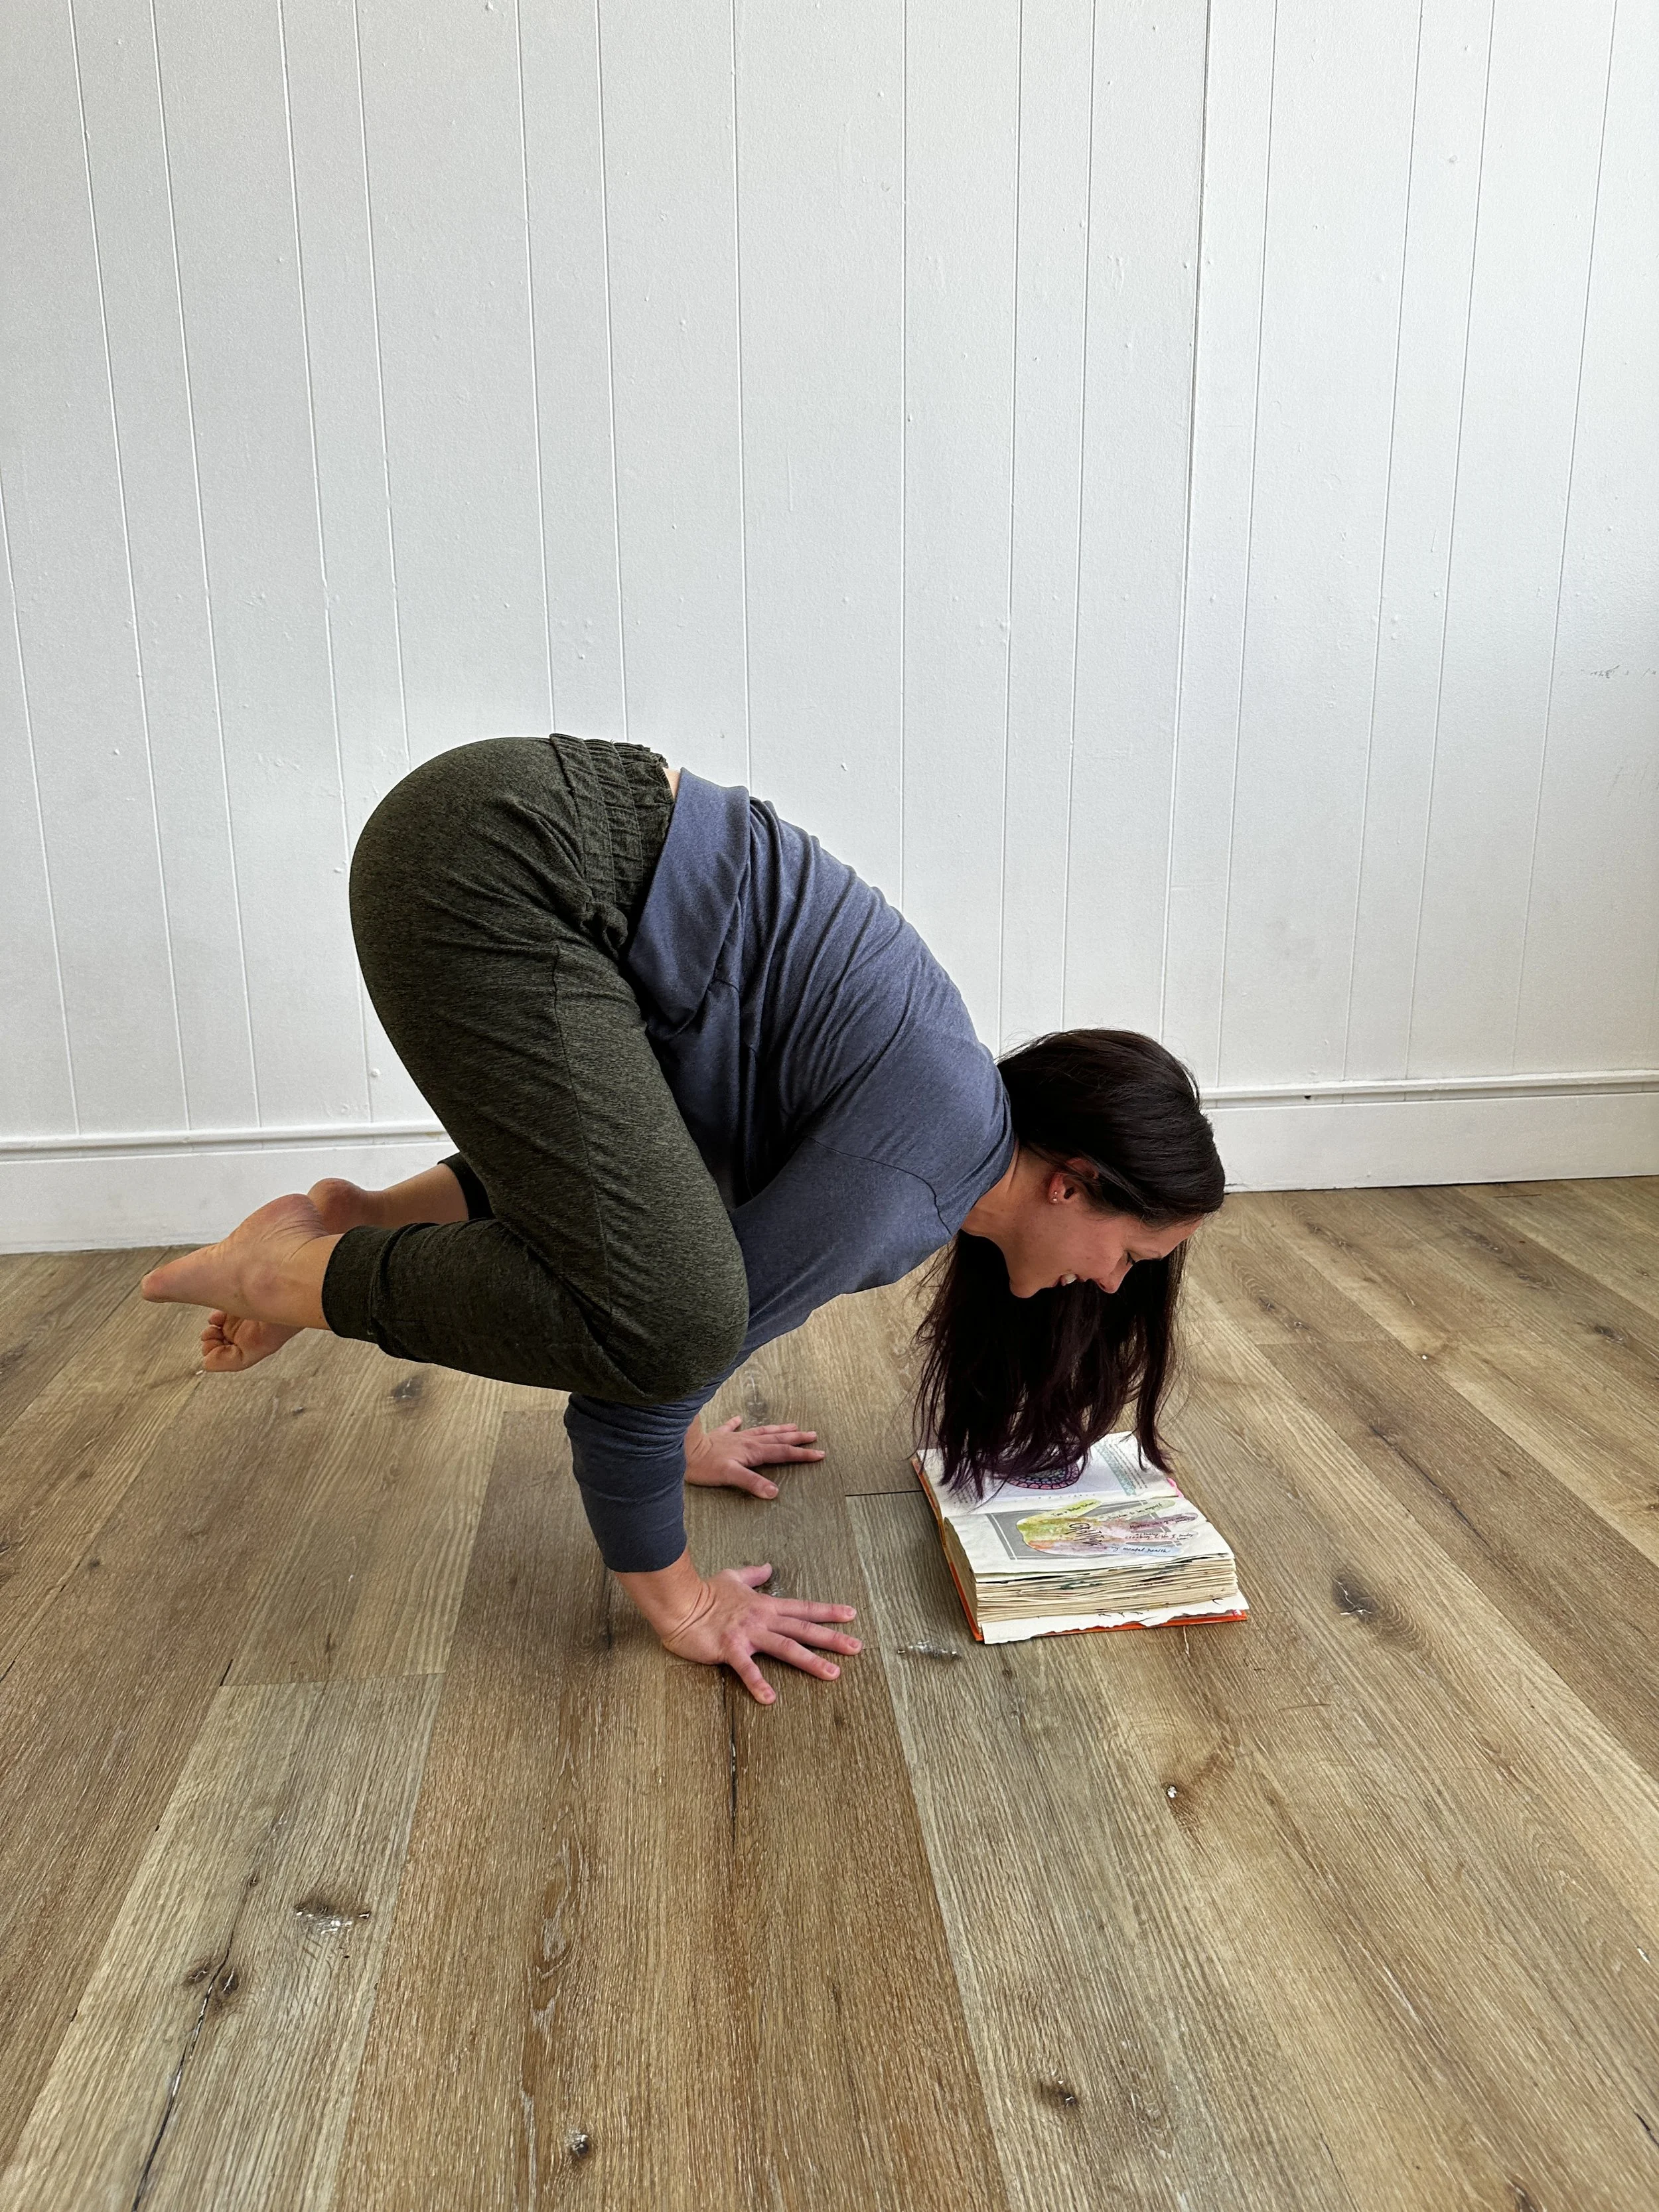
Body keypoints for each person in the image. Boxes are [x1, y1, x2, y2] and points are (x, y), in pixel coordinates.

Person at [140, 735, 1225, 1704]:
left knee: (678, 1275)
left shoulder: (931, 1103)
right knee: (670, 1322)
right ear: (1071, 1181)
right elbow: (637, 1381)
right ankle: (292, 1272)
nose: (1114, 1283)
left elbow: (670, 1186)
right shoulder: (923, 1173)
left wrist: (693, 1431)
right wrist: (684, 1600)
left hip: (507, 830)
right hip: (505, 863)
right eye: (1132, 1254)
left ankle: (355, 1219)